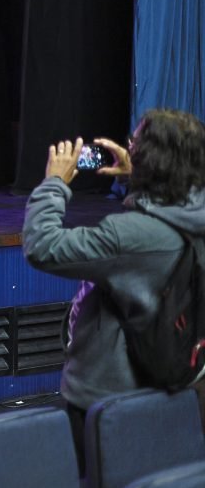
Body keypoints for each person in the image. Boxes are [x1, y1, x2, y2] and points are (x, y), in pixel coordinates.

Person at [22, 110, 205, 469]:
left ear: (150, 159)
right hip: (183, 379)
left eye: (135, 144)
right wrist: (143, 178)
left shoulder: (132, 235)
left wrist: (54, 183)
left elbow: (42, 245)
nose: (129, 148)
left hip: (112, 396)